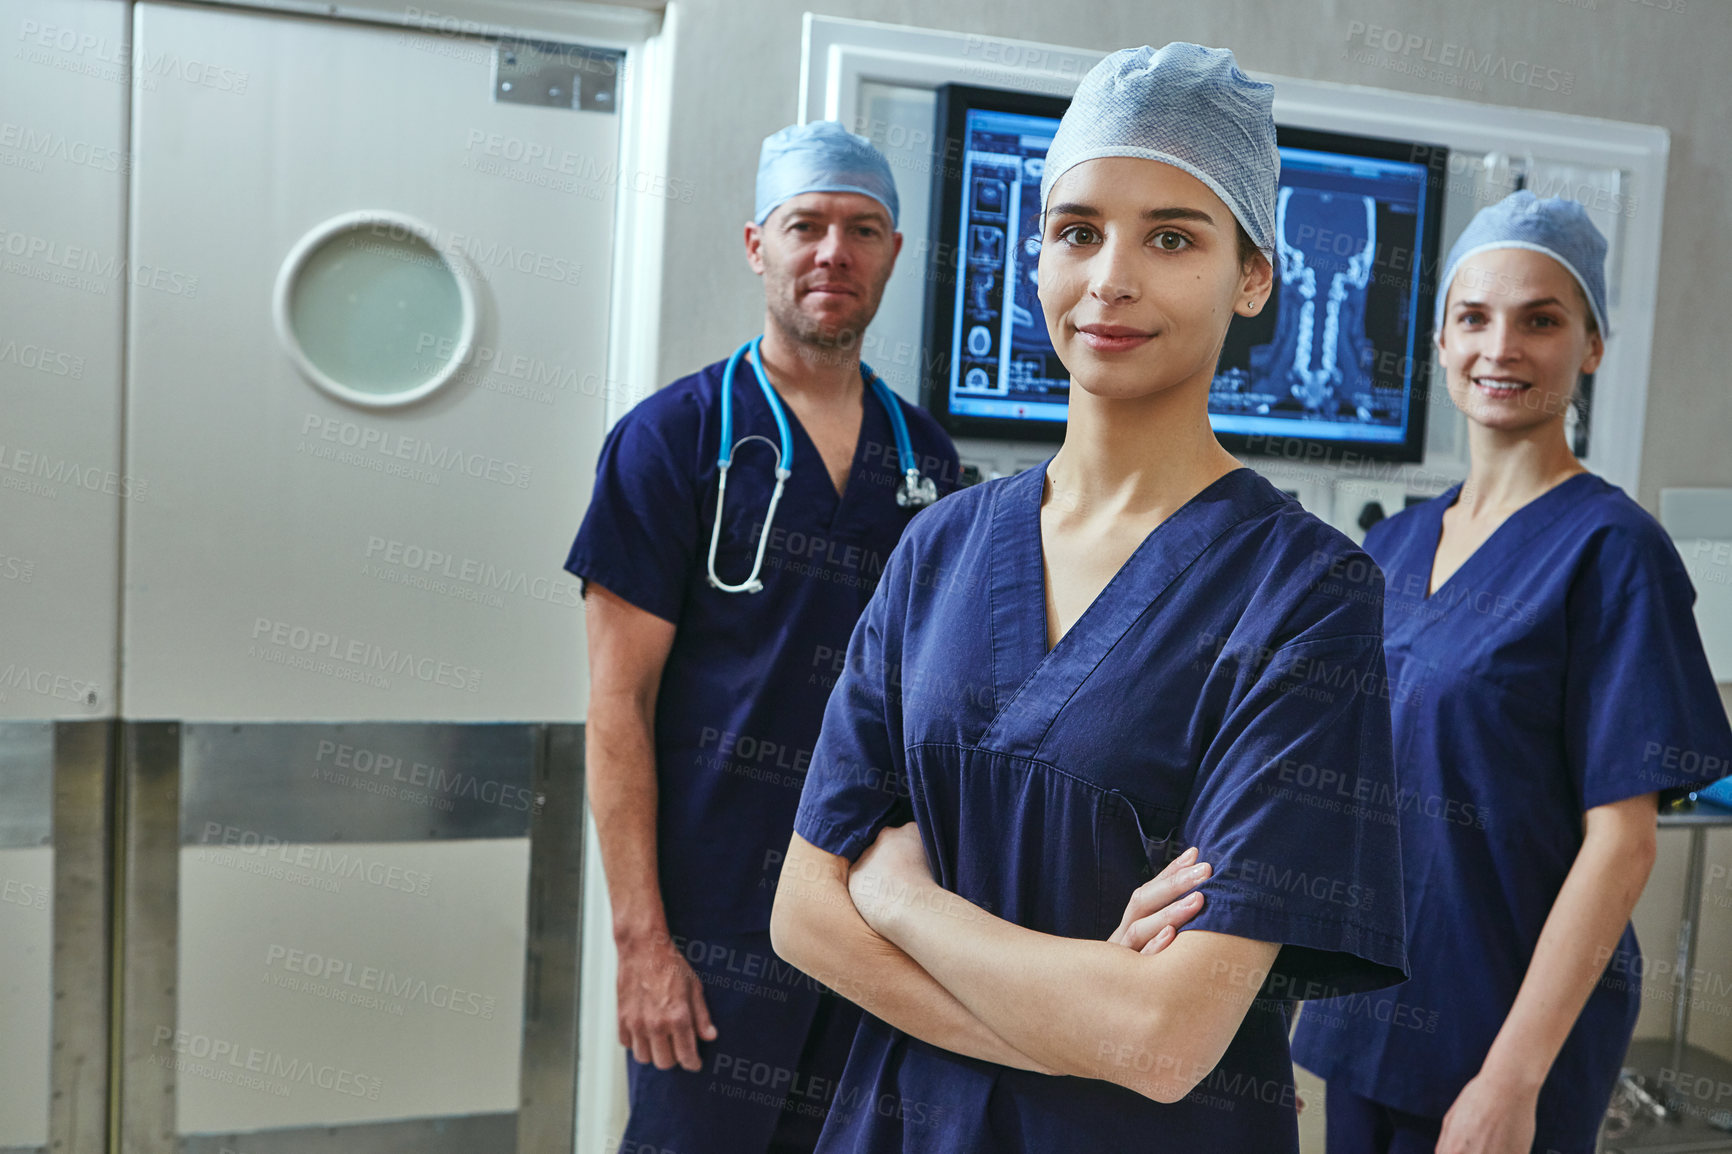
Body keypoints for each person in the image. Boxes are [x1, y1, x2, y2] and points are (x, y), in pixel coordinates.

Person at [769, 44, 1410, 1152]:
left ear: (1254, 275)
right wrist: (1070, 1025)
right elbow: (801, 914)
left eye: (1171, 235)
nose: (1110, 276)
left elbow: (1164, 1036)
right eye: (1076, 231)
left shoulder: (1306, 591)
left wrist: (908, 899)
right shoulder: (943, 544)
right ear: (1037, 258)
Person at [1290, 191, 1732, 1154]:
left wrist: (1510, 1078)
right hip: (1372, 1016)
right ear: (1441, 343)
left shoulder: (1615, 552)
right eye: (1475, 318)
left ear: (1592, 347)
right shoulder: (1398, 547)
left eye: (1542, 320)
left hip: (1508, 1039)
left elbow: (1623, 846)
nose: (1503, 347)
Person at [564, 120, 963, 1154]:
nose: (834, 250)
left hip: (876, 912)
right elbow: (617, 706)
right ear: (758, 245)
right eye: (807, 225)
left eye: (863, 228)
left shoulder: (925, 455)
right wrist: (642, 939)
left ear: (893, 254)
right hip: (711, 927)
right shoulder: (671, 439)